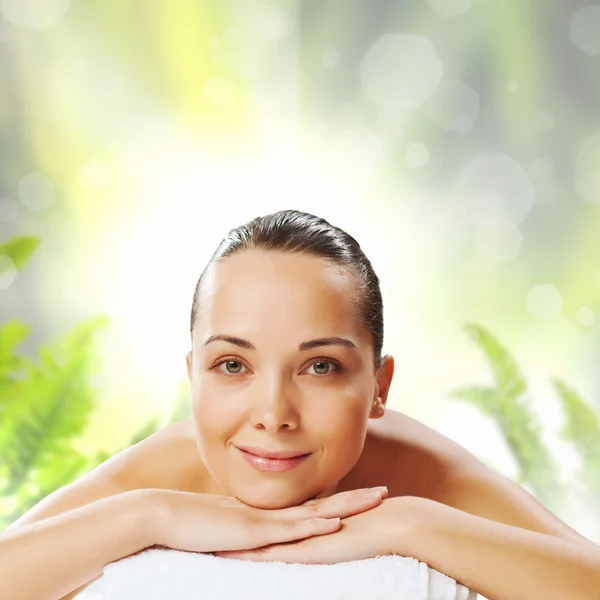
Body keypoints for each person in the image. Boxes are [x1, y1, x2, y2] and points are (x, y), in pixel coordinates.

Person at [1, 209, 599, 600]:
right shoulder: (157, 475)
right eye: (232, 365)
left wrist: (410, 524)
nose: (273, 413)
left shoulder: (416, 471)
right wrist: (149, 516)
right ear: (194, 377)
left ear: (379, 388)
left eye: (320, 367)